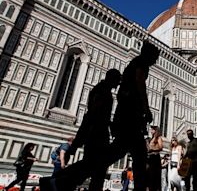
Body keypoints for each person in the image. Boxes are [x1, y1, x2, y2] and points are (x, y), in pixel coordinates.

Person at [40, 69, 121, 191]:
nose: (117, 85)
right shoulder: (102, 92)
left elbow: (98, 115)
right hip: (96, 135)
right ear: (112, 78)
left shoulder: (103, 91)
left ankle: (57, 180)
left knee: (96, 167)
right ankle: (57, 180)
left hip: (98, 133)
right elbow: (92, 115)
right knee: (93, 165)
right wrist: (77, 142)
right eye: (117, 81)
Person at [105, 41, 160, 191]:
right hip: (130, 116)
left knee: (132, 154)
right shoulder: (141, 63)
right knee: (130, 154)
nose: (155, 61)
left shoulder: (135, 63)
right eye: (154, 57)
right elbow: (140, 83)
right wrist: (146, 109)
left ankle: (71, 175)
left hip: (127, 114)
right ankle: (69, 177)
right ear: (148, 54)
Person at [146, 126, 163, 191]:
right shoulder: (151, 139)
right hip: (150, 158)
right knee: (149, 175)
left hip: (155, 158)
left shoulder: (158, 138)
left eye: (152, 130)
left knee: (154, 175)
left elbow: (161, 147)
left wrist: (152, 149)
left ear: (155, 131)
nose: (151, 131)